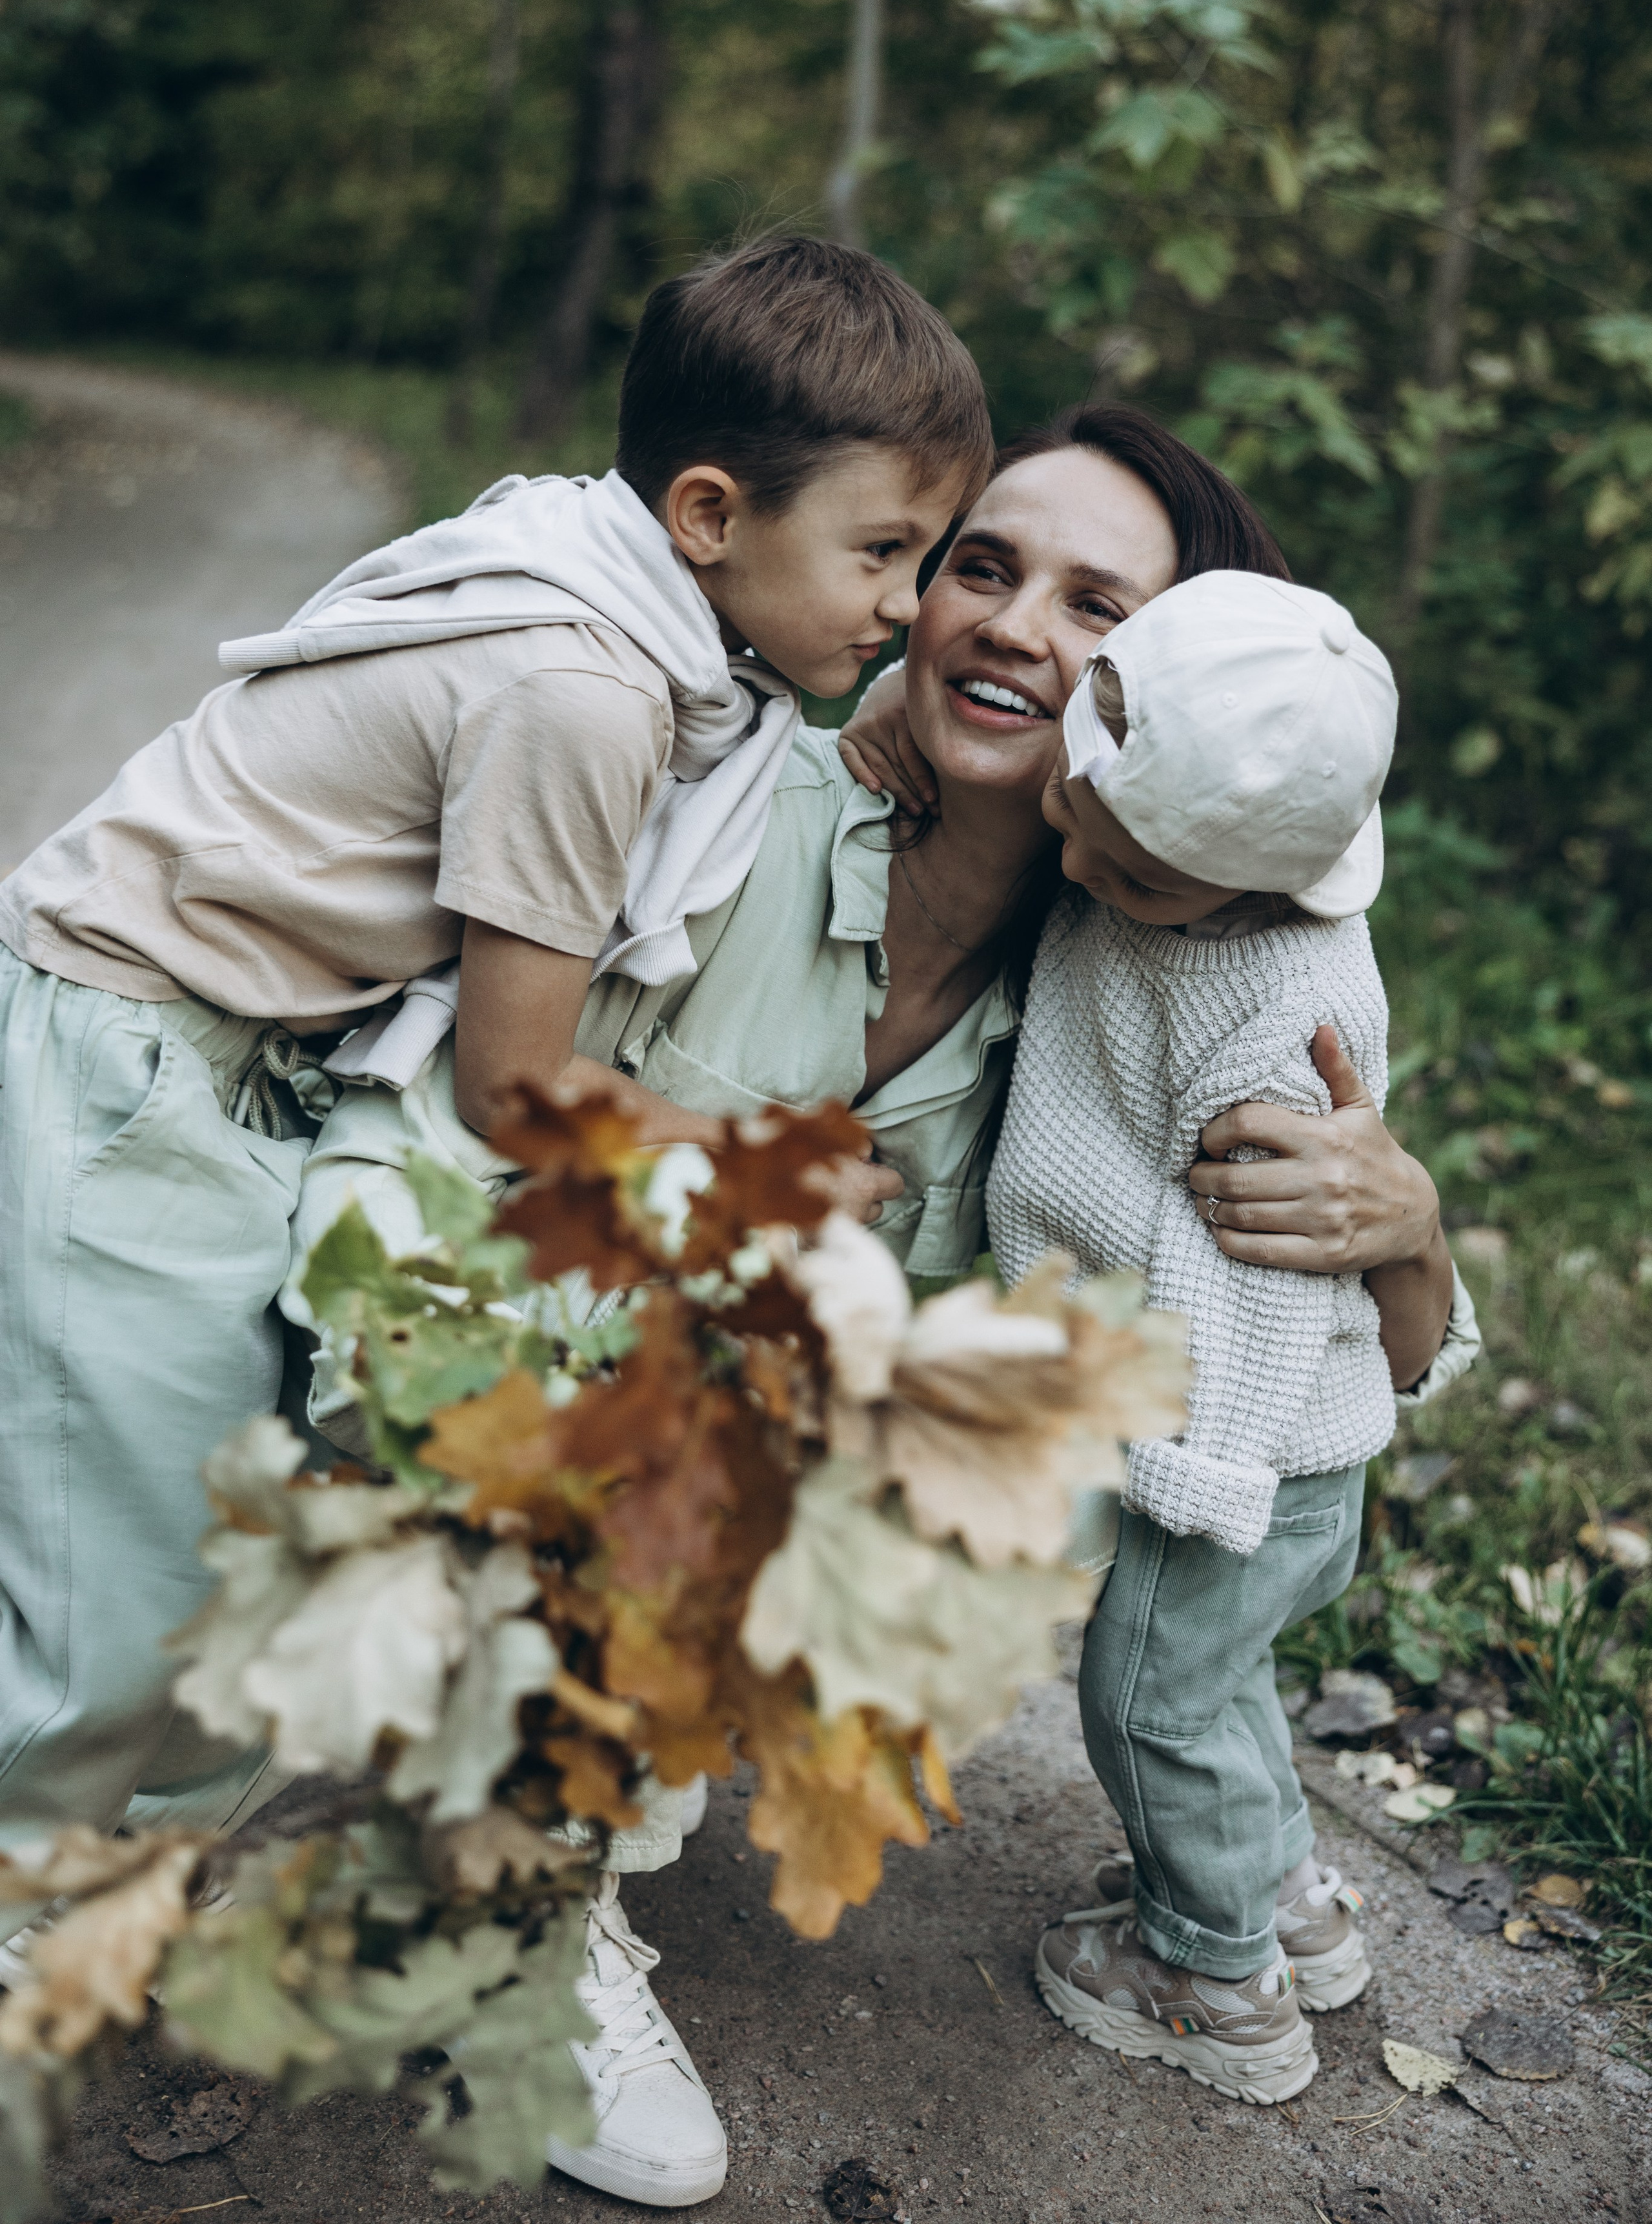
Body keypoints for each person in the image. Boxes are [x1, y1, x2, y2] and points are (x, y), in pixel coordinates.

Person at [300, 403, 1476, 2197]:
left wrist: (1408, 1231)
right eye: (976, 567)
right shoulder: (713, 800)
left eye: (1097, 606)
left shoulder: (1150, 968)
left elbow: (1385, 1369)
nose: (1010, 625)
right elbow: (439, 1110)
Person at [0, 234, 991, 1901]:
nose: (910, 605)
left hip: (198, 1050)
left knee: (194, 1497)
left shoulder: (592, 578)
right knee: (155, 1562)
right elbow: (514, 1095)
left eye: (929, 556)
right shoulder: (585, 690)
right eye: (886, 553)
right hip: (130, 1053)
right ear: (709, 517)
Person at [985, 566, 1395, 2103]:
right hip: (1295, 1435)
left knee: (1150, 1695)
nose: (1077, 859)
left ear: (1260, 885)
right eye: (1075, 810)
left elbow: (1259, 1274)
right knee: (1218, 1693)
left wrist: (1194, 1472)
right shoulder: (1191, 838)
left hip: (1244, 1435)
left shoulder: (1268, 1020)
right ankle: (1287, 1900)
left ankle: (1212, 1981)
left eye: (1134, 873)